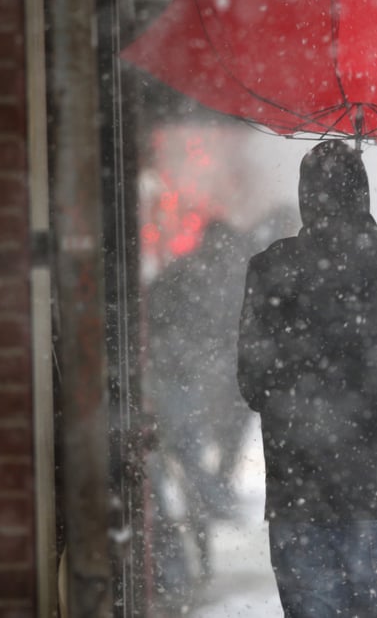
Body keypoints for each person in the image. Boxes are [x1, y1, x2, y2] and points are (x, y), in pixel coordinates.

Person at [236, 140, 377, 618]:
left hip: (302, 495)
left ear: (306, 195)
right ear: (365, 193)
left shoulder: (271, 270)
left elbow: (253, 384)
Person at [145, 218, 250, 587]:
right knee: (186, 468)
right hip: (176, 383)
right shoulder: (206, 280)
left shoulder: (182, 272)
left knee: (169, 475)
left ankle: (179, 568)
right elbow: (212, 334)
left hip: (164, 380)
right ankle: (185, 563)